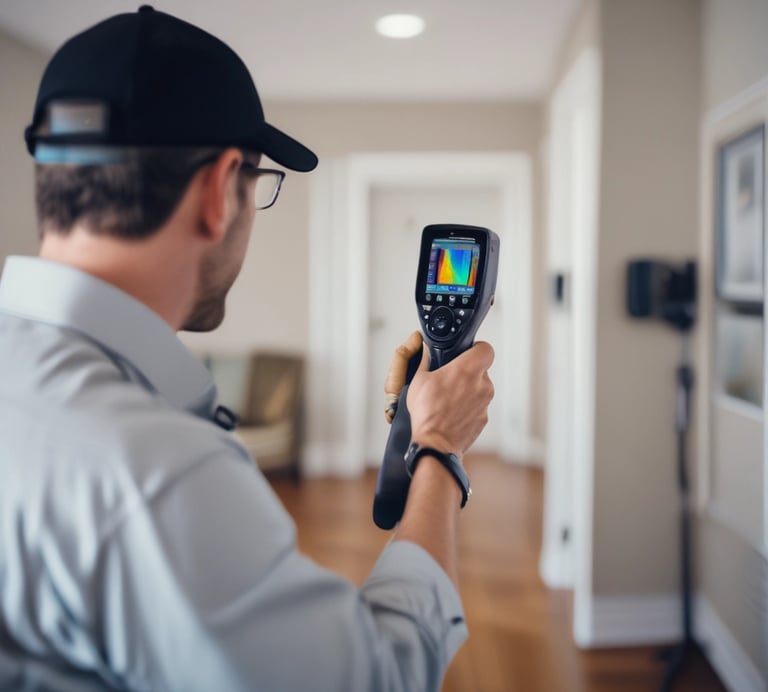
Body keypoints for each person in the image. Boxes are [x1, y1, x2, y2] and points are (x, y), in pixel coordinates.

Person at [0, 6, 495, 691]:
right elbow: (379, 679)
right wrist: (440, 445)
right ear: (216, 191)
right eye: (259, 184)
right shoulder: (154, 473)